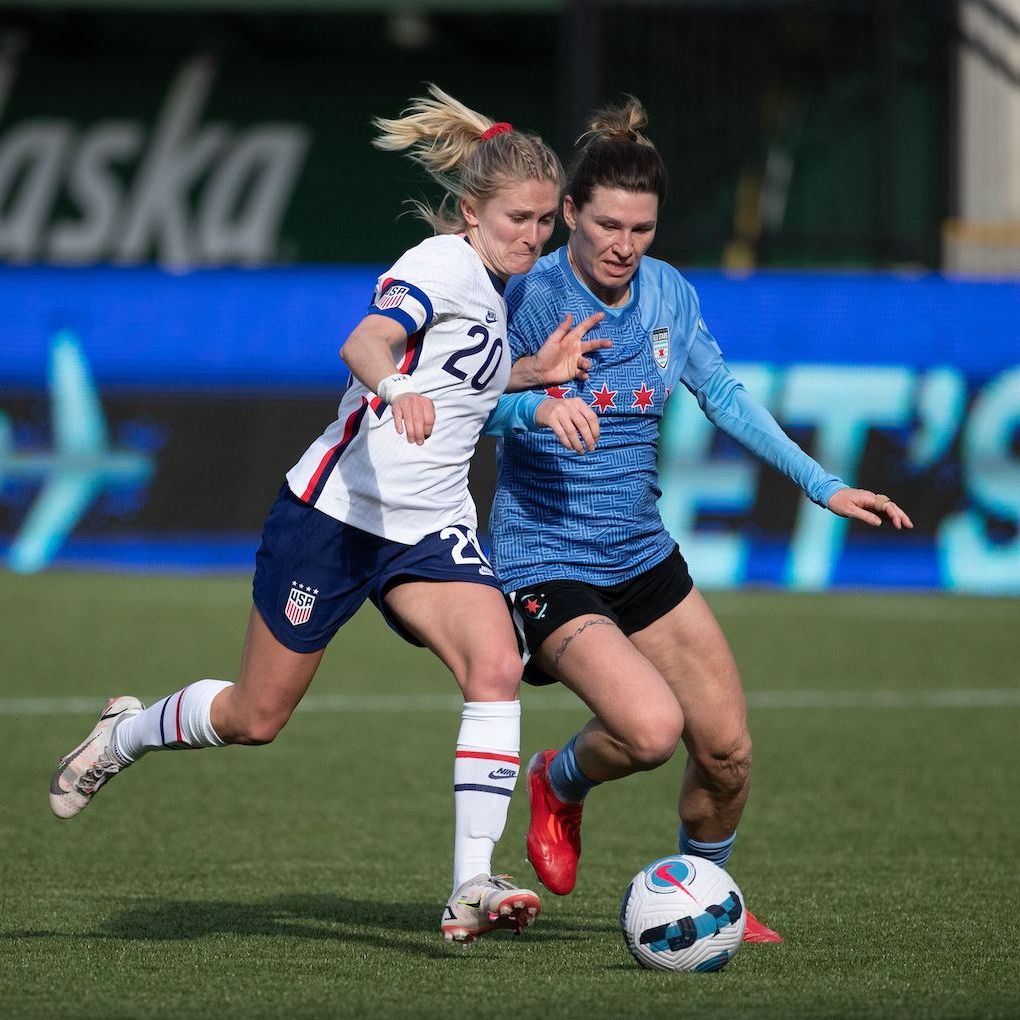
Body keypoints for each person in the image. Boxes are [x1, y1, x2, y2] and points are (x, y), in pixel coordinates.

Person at [48, 85, 606, 945]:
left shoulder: (497, 288)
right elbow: (367, 343)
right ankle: (129, 730)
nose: (535, 236)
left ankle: (470, 885)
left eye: (544, 220)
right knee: (254, 719)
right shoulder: (441, 265)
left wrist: (532, 371)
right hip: (336, 516)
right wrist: (394, 385)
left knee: (495, 662)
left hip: (426, 527)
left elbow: (461, 383)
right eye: (518, 218)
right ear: (471, 211)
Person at [487, 96, 914, 942]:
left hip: (640, 552)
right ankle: (558, 781)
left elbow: (721, 394)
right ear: (569, 213)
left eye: (642, 230)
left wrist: (822, 485)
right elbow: (467, 403)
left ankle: (707, 900)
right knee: (651, 731)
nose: (623, 246)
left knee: (726, 754)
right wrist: (532, 408)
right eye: (607, 225)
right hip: (546, 556)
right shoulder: (527, 295)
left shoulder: (668, 295)